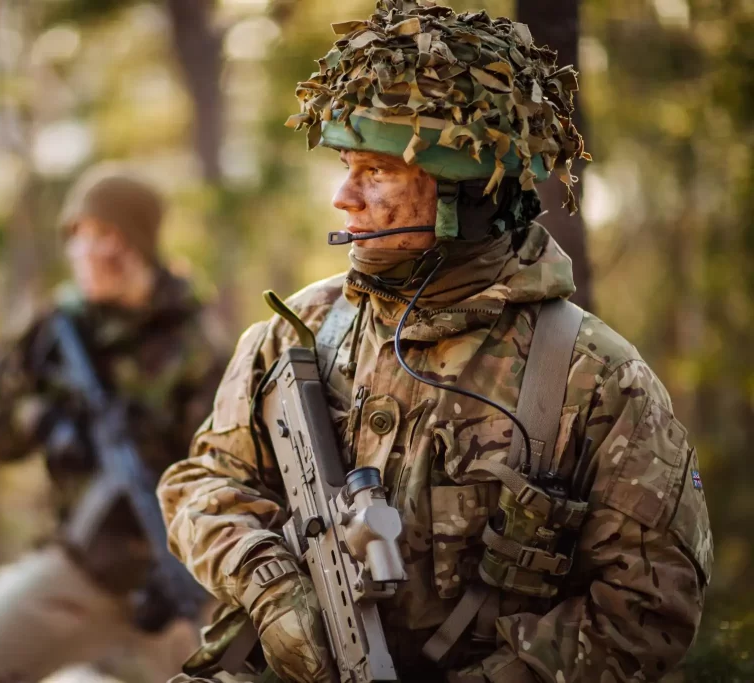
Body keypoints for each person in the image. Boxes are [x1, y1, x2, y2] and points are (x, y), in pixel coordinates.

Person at [158, 3, 713, 682]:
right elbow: (200, 483)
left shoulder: (594, 379)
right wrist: (271, 587)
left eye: (377, 172)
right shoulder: (303, 329)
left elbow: (649, 611)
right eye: (345, 165)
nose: (344, 196)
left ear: (465, 194)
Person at [0, 165, 225, 683]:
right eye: (80, 236)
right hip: (87, 566)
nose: (89, 252)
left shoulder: (196, 346)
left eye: (107, 237)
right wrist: (48, 420)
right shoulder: (55, 330)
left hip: (182, 573)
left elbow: (232, 474)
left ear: (140, 244)